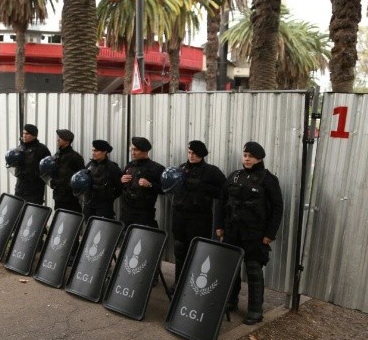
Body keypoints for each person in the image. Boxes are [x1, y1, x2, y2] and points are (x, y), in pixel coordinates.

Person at [215, 141, 283, 325]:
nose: (247, 159)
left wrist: (270, 233)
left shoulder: (268, 180)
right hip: (232, 231)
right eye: (245, 155)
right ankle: (230, 301)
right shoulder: (234, 176)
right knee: (231, 268)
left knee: (253, 270)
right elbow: (222, 202)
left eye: (251, 156)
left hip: (255, 233)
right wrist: (219, 225)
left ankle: (255, 310)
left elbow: (277, 209)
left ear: (259, 158)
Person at [168, 140, 226, 290]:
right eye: (189, 152)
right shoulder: (181, 168)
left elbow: (224, 192)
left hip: (199, 218)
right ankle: (179, 282)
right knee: (179, 249)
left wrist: (203, 187)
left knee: (198, 251)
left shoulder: (211, 171)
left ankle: (196, 285)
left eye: (194, 153)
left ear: (201, 154)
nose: (191, 156)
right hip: (180, 216)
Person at [119, 137, 165, 230]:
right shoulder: (130, 165)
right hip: (127, 212)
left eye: (136, 150)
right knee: (125, 240)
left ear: (145, 151)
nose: (132, 152)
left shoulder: (157, 168)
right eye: (131, 149)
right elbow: (121, 187)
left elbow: (164, 190)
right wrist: (121, 180)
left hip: (144, 214)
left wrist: (150, 185)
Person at [80, 139, 123, 220]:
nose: (93, 153)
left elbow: (119, 187)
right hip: (89, 206)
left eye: (96, 151)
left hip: (103, 208)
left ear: (104, 152)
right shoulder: (90, 165)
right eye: (92, 150)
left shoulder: (112, 168)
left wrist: (108, 197)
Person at [11, 124, 51, 205]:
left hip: (34, 190)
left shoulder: (42, 150)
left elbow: (47, 170)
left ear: (34, 135)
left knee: (31, 215)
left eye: (27, 134)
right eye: (23, 133)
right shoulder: (20, 148)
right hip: (20, 188)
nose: (24, 136)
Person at [48, 129, 84, 213]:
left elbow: (81, 179)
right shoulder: (57, 155)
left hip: (70, 198)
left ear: (67, 141)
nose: (57, 139)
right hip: (58, 196)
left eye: (60, 138)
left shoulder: (75, 157)